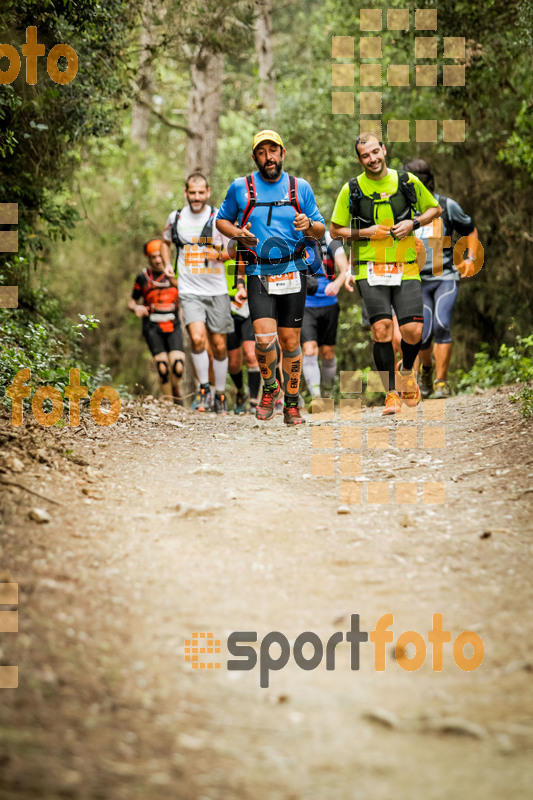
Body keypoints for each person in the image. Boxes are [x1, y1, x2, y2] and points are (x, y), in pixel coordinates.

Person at [216, 130, 325, 426]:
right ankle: (269, 388)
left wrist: (309, 225)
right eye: (262, 152)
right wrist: (239, 233)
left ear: (283, 153)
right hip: (258, 271)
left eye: (273, 151)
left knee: (290, 341)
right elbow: (221, 220)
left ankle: (291, 404)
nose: (269, 157)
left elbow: (320, 229)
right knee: (263, 340)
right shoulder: (241, 187)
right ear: (255, 158)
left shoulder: (299, 187)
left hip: (293, 270)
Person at [330, 132, 441, 415]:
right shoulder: (352, 189)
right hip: (370, 268)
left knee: (413, 330)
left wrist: (412, 224)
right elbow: (335, 230)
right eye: (365, 155)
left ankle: (406, 374)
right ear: (359, 159)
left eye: (375, 152)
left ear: (384, 150)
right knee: (381, 330)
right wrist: (367, 232)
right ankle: (390, 393)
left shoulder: (406, 181)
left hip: (405, 265)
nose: (372, 159)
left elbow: (434, 208)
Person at [403, 158, 479, 399]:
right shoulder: (405, 212)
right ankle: (427, 370)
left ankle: (441, 383)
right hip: (417, 281)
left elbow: (470, 229)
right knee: (422, 335)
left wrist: (470, 257)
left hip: (444, 277)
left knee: (442, 325)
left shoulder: (446, 206)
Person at [161, 173, 233, 415]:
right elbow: (165, 241)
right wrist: (166, 263)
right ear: (186, 193)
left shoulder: (218, 217)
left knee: (220, 345)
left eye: (201, 192)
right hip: (189, 290)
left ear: (208, 192)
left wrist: (219, 256)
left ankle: (220, 394)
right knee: (198, 339)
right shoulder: (176, 218)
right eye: (192, 192)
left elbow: (233, 250)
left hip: (217, 290)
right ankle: (204, 391)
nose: (197, 197)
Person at [129, 239, 184, 402]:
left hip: (173, 324)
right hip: (152, 326)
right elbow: (132, 301)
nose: (158, 260)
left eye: (160, 256)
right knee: (162, 368)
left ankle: (175, 389)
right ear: (149, 258)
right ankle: (169, 404)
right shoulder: (143, 277)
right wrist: (136, 308)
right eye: (154, 257)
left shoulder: (176, 274)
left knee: (178, 366)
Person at [301, 233, 349, 399]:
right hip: (305, 304)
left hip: (329, 302)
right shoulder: (292, 237)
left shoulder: (329, 238)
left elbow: (344, 267)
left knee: (328, 353)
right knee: (309, 349)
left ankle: (327, 393)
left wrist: (337, 283)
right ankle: (317, 397)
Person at [224, 254, 261, 413]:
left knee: (251, 354)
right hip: (225, 304)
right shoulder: (215, 241)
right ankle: (241, 392)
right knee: (233, 362)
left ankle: (253, 400)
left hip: (248, 304)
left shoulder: (247, 242)